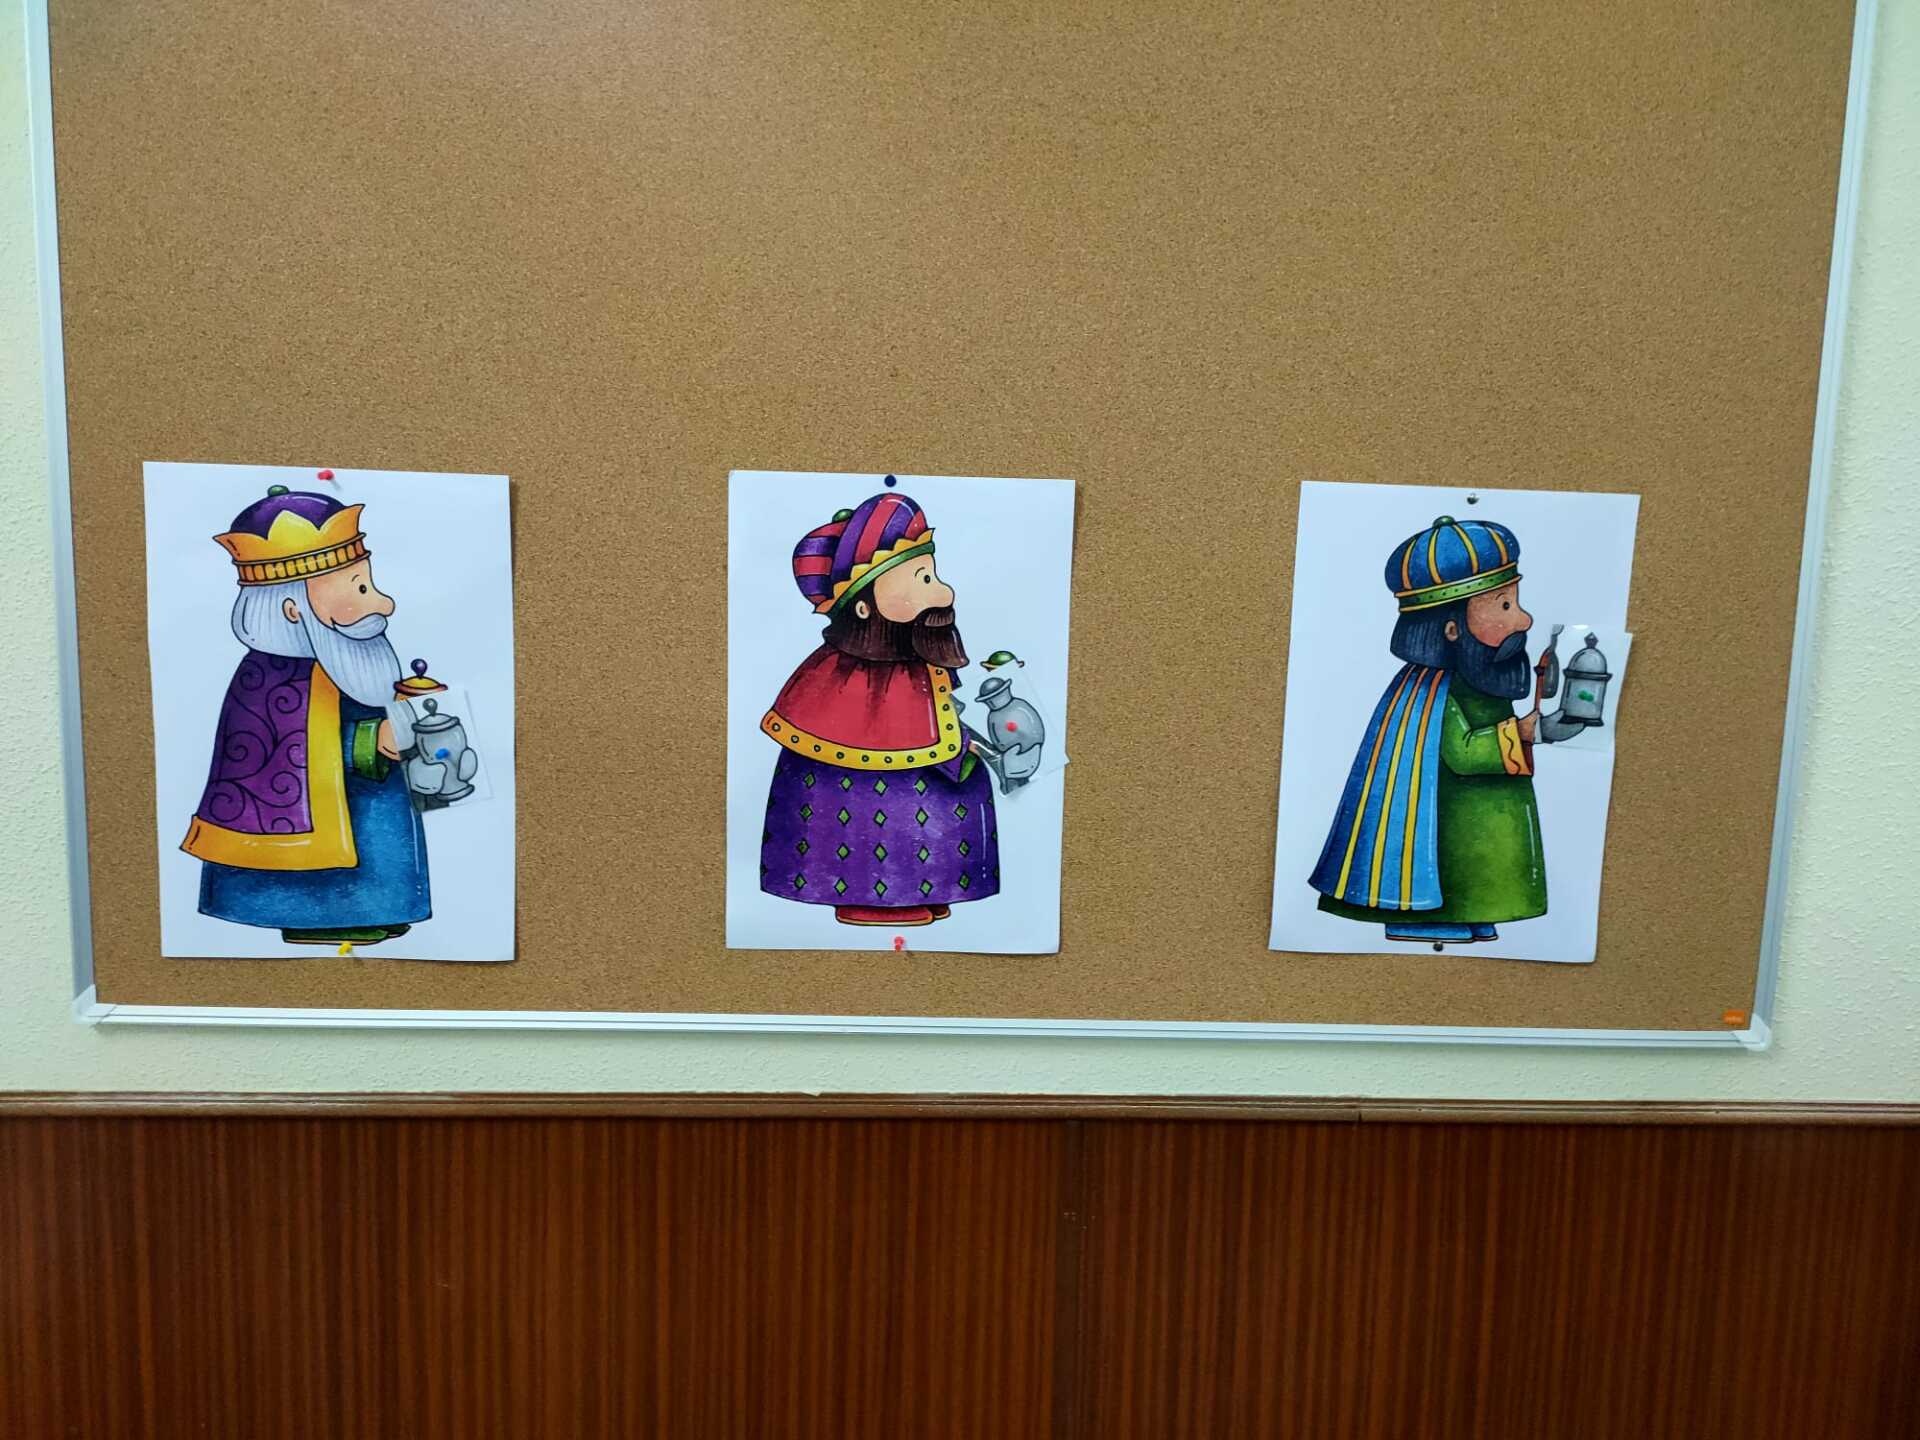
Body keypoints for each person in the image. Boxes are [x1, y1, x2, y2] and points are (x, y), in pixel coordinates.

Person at [180, 486, 430, 945]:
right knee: (337, 872)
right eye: (358, 589)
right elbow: (288, 754)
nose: (383, 603)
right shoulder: (272, 680)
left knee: (379, 839)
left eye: (368, 584)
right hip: (313, 840)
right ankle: (321, 918)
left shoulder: (351, 658)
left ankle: (383, 906)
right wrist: (368, 741)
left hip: (372, 802)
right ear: (292, 609)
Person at [760, 489, 999, 926]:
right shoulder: (838, 677)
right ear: (864, 606)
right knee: (868, 806)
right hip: (852, 779)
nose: (944, 593)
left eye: (933, 576)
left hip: (935, 755)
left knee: (948, 794)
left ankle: (932, 886)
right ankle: (869, 897)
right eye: (921, 581)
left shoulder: (919, 662)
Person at [1308, 515, 1546, 943]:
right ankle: (1421, 916)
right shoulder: (1435, 690)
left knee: (1477, 854)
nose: (1524, 620)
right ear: (1452, 629)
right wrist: (1521, 732)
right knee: (1448, 853)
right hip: (1442, 807)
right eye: (1504, 606)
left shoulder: (1482, 676)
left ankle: (1473, 909)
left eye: (1515, 602)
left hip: (1477, 807)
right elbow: (1462, 751)